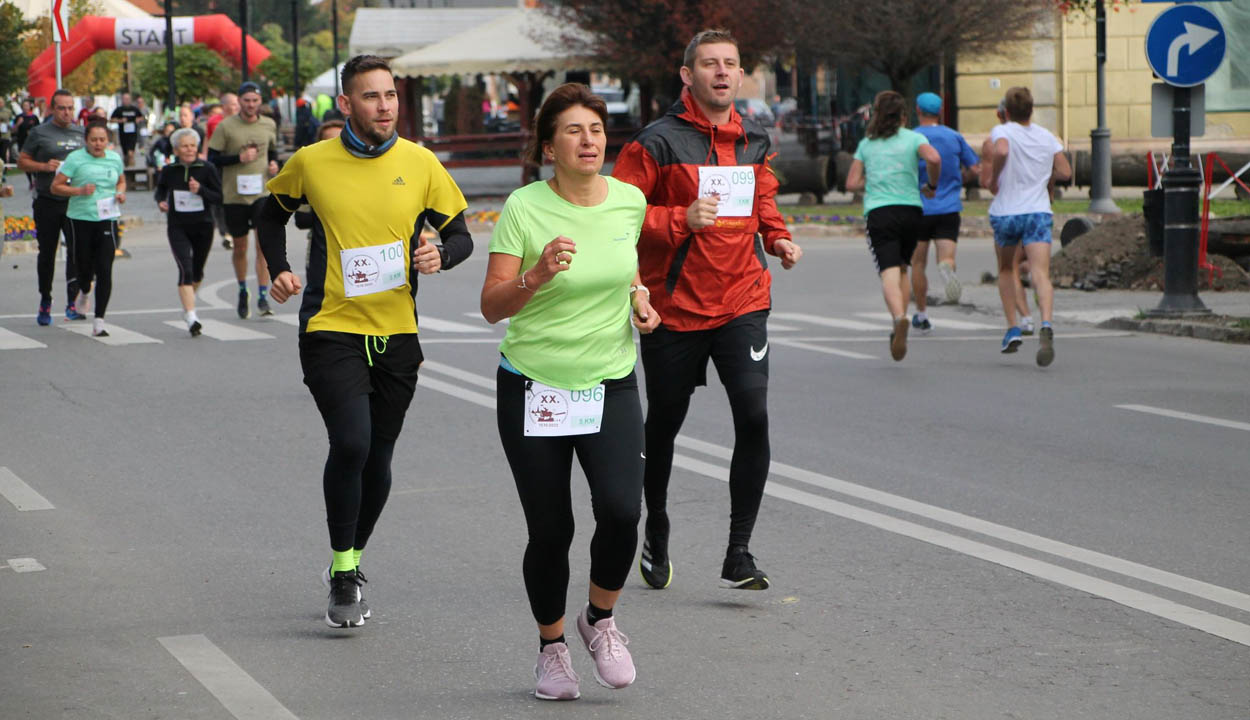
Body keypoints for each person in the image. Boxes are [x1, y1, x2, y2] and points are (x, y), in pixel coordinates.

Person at [257, 54, 474, 628]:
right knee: (351, 443)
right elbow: (267, 213)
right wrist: (278, 267)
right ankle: (344, 569)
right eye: (372, 96)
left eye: (391, 95)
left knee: (378, 454)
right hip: (331, 326)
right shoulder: (312, 161)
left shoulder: (421, 163)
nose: (385, 106)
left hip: (399, 332)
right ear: (346, 104)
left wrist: (441, 253)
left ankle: (349, 561)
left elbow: (461, 235)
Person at [481, 83, 657, 701]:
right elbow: (490, 306)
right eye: (575, 131)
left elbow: (626, 264)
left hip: (608, 381)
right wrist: (535, 274)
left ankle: (599, 621)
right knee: (551, 528)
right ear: (549, 144)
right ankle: (552, 648)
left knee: (620, 511)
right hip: (534, 385)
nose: (590, 141)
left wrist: (640, 299)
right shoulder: (524, 207)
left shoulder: (628, 202)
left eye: (597, 130)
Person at [612, 29, 802, 592]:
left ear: (741, 76)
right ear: (687, 75)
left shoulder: (753, 139)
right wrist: (678, 220)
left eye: (731, 64)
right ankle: (658, 527)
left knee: (754, 413)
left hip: (742, 298)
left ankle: (738, 551)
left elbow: (761, 197)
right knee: (665, 424)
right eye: (710, 64)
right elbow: (618, 215)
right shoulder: (656, 143)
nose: (721, 72)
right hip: (674, 306)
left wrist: (779, 236)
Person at [844, 90, 941, 361]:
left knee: (887, 271)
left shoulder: (867, 144)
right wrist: (932, 185)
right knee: (903, 268)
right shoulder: (915, 138)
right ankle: (902, 317)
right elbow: (933, 158)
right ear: (903, 116)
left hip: (880, 212)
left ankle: (899, 318)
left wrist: (873, 181)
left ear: (876, 115)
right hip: (911, 210)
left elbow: (851, 183)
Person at [984, 86, 1071, 365]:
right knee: (1040, 273)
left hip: (1007, 212)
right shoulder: (1047, 137)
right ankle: (1046, 322)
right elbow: (1066, 171)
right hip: (1038, 212)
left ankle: (1013, 328)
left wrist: (994, 178)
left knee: (1006, 268)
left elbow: (1001, 150)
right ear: (1030, 111)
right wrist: (1046, 177)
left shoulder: (1003, 131)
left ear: (1006, 112)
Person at [909, 92, 979, 332]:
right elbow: (974, 168)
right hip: (949, 207)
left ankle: (921, 314)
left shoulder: (912, 137)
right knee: (946, 257)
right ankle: (947, 268)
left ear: (917, 110)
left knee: (917, 263)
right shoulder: (954, 136)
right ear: (940, 112)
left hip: (918, 207)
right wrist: (962, 178)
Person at [209, 82, 279, 319]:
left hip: (261, 194)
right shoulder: (226, 126)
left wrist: (274, 164)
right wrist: (238, 158)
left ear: (260, 102)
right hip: (235, 196)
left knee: (263, 246)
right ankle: (242, 290)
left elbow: (273, 152)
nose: (251, 105)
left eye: (255, 100)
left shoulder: (269, 124)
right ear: (239, 101)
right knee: (240, 247)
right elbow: (213, 160)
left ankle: (262, 295)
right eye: (246, 100)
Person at [49, 120, 124, 337]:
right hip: (80, 218)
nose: (98, 144)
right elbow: (56, 186)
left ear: (108, 141)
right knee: (82, 264)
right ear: (86, 141)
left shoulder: (114, 158)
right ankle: (84, 290)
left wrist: (120, 193)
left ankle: (99, 320)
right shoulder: (75, 159)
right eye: (93, 140)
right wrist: (79, 190)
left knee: (105, 268)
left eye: (102, 140)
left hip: (107, 217)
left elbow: (121, 181)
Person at [18, 89, 86, 326]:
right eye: (61, 108)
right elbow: (21, 161)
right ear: (51, 109)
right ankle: (45, 299)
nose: (66, 112)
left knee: (77, 252)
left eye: (70, 108)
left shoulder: (81, 133)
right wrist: (44, 166)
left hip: (74, 201)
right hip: (47, 200)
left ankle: (71, 302)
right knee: (47, 253)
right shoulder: (39, 132)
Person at [155, 128, 223, 337]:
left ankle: (187, 306)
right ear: (176, 149)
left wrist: (200, 190)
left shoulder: (207, 168)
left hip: (203, 225)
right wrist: (161, 202)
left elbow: (219, 197)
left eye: (193, 145)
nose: (189, 149)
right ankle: (192, 316)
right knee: (185, 269)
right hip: (178, 226)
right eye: (184, 146)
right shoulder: (169, 170)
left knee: (197, 271)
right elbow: (160, 191)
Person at [205, 92, 239, 250]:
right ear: (224, 106)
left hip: (238, 166)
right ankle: (226, 232)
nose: (236, 106)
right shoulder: (216, 121)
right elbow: (211, 142)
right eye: (233, 104)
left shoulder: (241, 121)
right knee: (220, 198)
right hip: (219, 164)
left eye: (237, 103)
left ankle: (233, 231)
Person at [110, 92, 142, 166]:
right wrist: (120, 121)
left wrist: (138, 120)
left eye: (128, 99)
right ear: (122, 100)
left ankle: (131, 164)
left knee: (131, 152)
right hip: (123, 134)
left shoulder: (134, 109)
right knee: (125, 153)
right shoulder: (119, 110)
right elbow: (111, 119)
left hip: (133, 133)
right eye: (125, 99)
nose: (126, 100)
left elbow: (141, 117)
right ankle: (127, 164)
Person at [15, 100, 41, 188]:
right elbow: (13, 130)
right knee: (25, 162)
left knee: (33, 161)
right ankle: (30, 181)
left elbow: (39, 129)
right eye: (24, 105)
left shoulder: (34, 117)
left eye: (27, 105)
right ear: (22, 107)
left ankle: (35, 179)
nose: (25, 107)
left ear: (30, 107)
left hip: (32, 143)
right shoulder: (19, 117)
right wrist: (18, 124)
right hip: (22, 142)